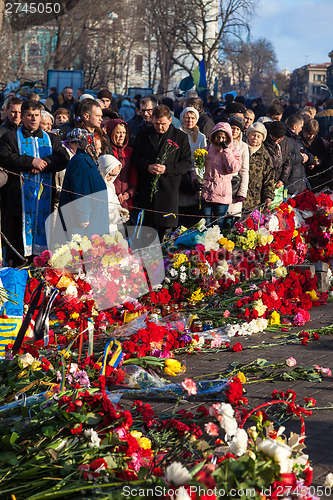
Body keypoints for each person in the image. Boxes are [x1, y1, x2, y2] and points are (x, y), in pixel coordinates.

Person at [0, 100, 69, 266]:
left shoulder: (51, 139)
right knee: (16, 247)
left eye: (36, 115)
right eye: (29, 115)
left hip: (43, 203)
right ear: (22, 117)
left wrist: (44, 162)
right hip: (18, 203)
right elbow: (4, 157)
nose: (33, 119)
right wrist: (30, 162)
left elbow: (63, 158)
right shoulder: (10, 137)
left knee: (42, 251)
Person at [132, 104, 191, 240]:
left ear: (170, 121)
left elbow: (186, 163)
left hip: (168, 190)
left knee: (166, 231)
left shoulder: (180, 137)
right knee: (147, 231)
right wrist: (147, 166)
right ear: (152, 120)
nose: (160, 127)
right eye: (156, 124)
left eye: (163, 124)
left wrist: (167, 168)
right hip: (148, 190)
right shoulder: (143, 134)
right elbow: (136, 156)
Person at [58, 130, 108, 241]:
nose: (99, 151)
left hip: (94, 218)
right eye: (98, 148)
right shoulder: (80, 162)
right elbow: (79, 190)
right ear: (89, 146)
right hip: (85, 224)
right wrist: (83, 216)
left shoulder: (88, 160)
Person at [201, 122, 241, 231]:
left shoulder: (233, 152)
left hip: (222, 193)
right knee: (206, 222)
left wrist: (226, 150)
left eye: (223, 137)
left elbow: (233, 168)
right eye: (218, 137)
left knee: (218, 223)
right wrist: (195, 180)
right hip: (207, 191)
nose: (221, 139)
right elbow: (197, 168)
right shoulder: (206, 150)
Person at [178, 106, 207, 227]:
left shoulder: (201, 137)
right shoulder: (177, 134)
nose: (189, 120)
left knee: (193, 208)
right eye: (187, 117)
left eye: (192, 118)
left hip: (194, 174)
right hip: (180, 172)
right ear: (183, 118)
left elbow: (204, 157)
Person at [105, 118, 137, 212]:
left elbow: (133, 175)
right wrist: (116, 192)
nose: (121, 136)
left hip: (127, 198)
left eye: (124, 132)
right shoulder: (106, 151)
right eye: (118, 132)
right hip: (111, 196)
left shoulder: (129, 151)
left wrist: (130, 193)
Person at [243, 122, 275, 212]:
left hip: (254, 201)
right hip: (237, 198)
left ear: (262, 139)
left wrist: (268, 197)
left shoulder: (265, 156)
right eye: (253, 135)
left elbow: (269, 179)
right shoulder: (241, 149)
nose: (255, 138)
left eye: (258, 136)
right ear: (248, 135)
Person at [226, 115, 249, 225]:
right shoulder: (221, 141)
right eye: (232, 127)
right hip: (220, 184)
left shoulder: (243, 146)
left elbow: (244, 170)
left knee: (230, 221)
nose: (234, 131)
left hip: (234, 186)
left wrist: (242, 192)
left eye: (237, 129)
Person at [97, 154, 130, 233]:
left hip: (112, 228)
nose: (111, 178)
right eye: (109, 174)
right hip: (101, 229)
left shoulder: (111, 186)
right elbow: (102, 211)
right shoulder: (98, 188)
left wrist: (121, 211)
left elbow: (115, 203)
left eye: (115, 175)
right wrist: (116, 217)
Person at [285, 114, 313, 195]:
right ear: (294, 126)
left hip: (300, 184)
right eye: (300, 127)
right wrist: (301, 157)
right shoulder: (286, 140)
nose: (301, 130)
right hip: (290, 185)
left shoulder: (298, 140)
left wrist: (308, 158)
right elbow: (286, 158)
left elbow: (307, 153)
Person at [300, 118, 331, 191]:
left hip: (315, 175)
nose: (311, 137)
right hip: (301, 174)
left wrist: (319, 161)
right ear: (304, 131)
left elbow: (324, 156)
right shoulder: (298, 139)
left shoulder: (318, 140)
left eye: (313, 134)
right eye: (309, 134)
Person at [264, 120, 292, 189]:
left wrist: (282, 179)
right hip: (265, 182)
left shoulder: (284, 142)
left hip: (278, 181)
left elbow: (288, 161)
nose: (277, 140)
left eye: (280, 138)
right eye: (274, 137)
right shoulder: (264, 141)